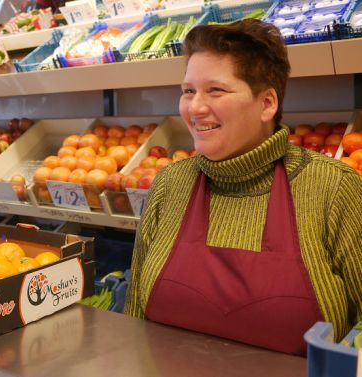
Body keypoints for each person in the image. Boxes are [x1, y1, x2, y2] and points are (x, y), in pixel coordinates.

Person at [124, 19, 362, 356]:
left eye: (215, 90)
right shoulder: (170, 185)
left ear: (267, 103)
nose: (195, 107)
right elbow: (134, 317)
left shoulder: (332, 188)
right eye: (188, 91)